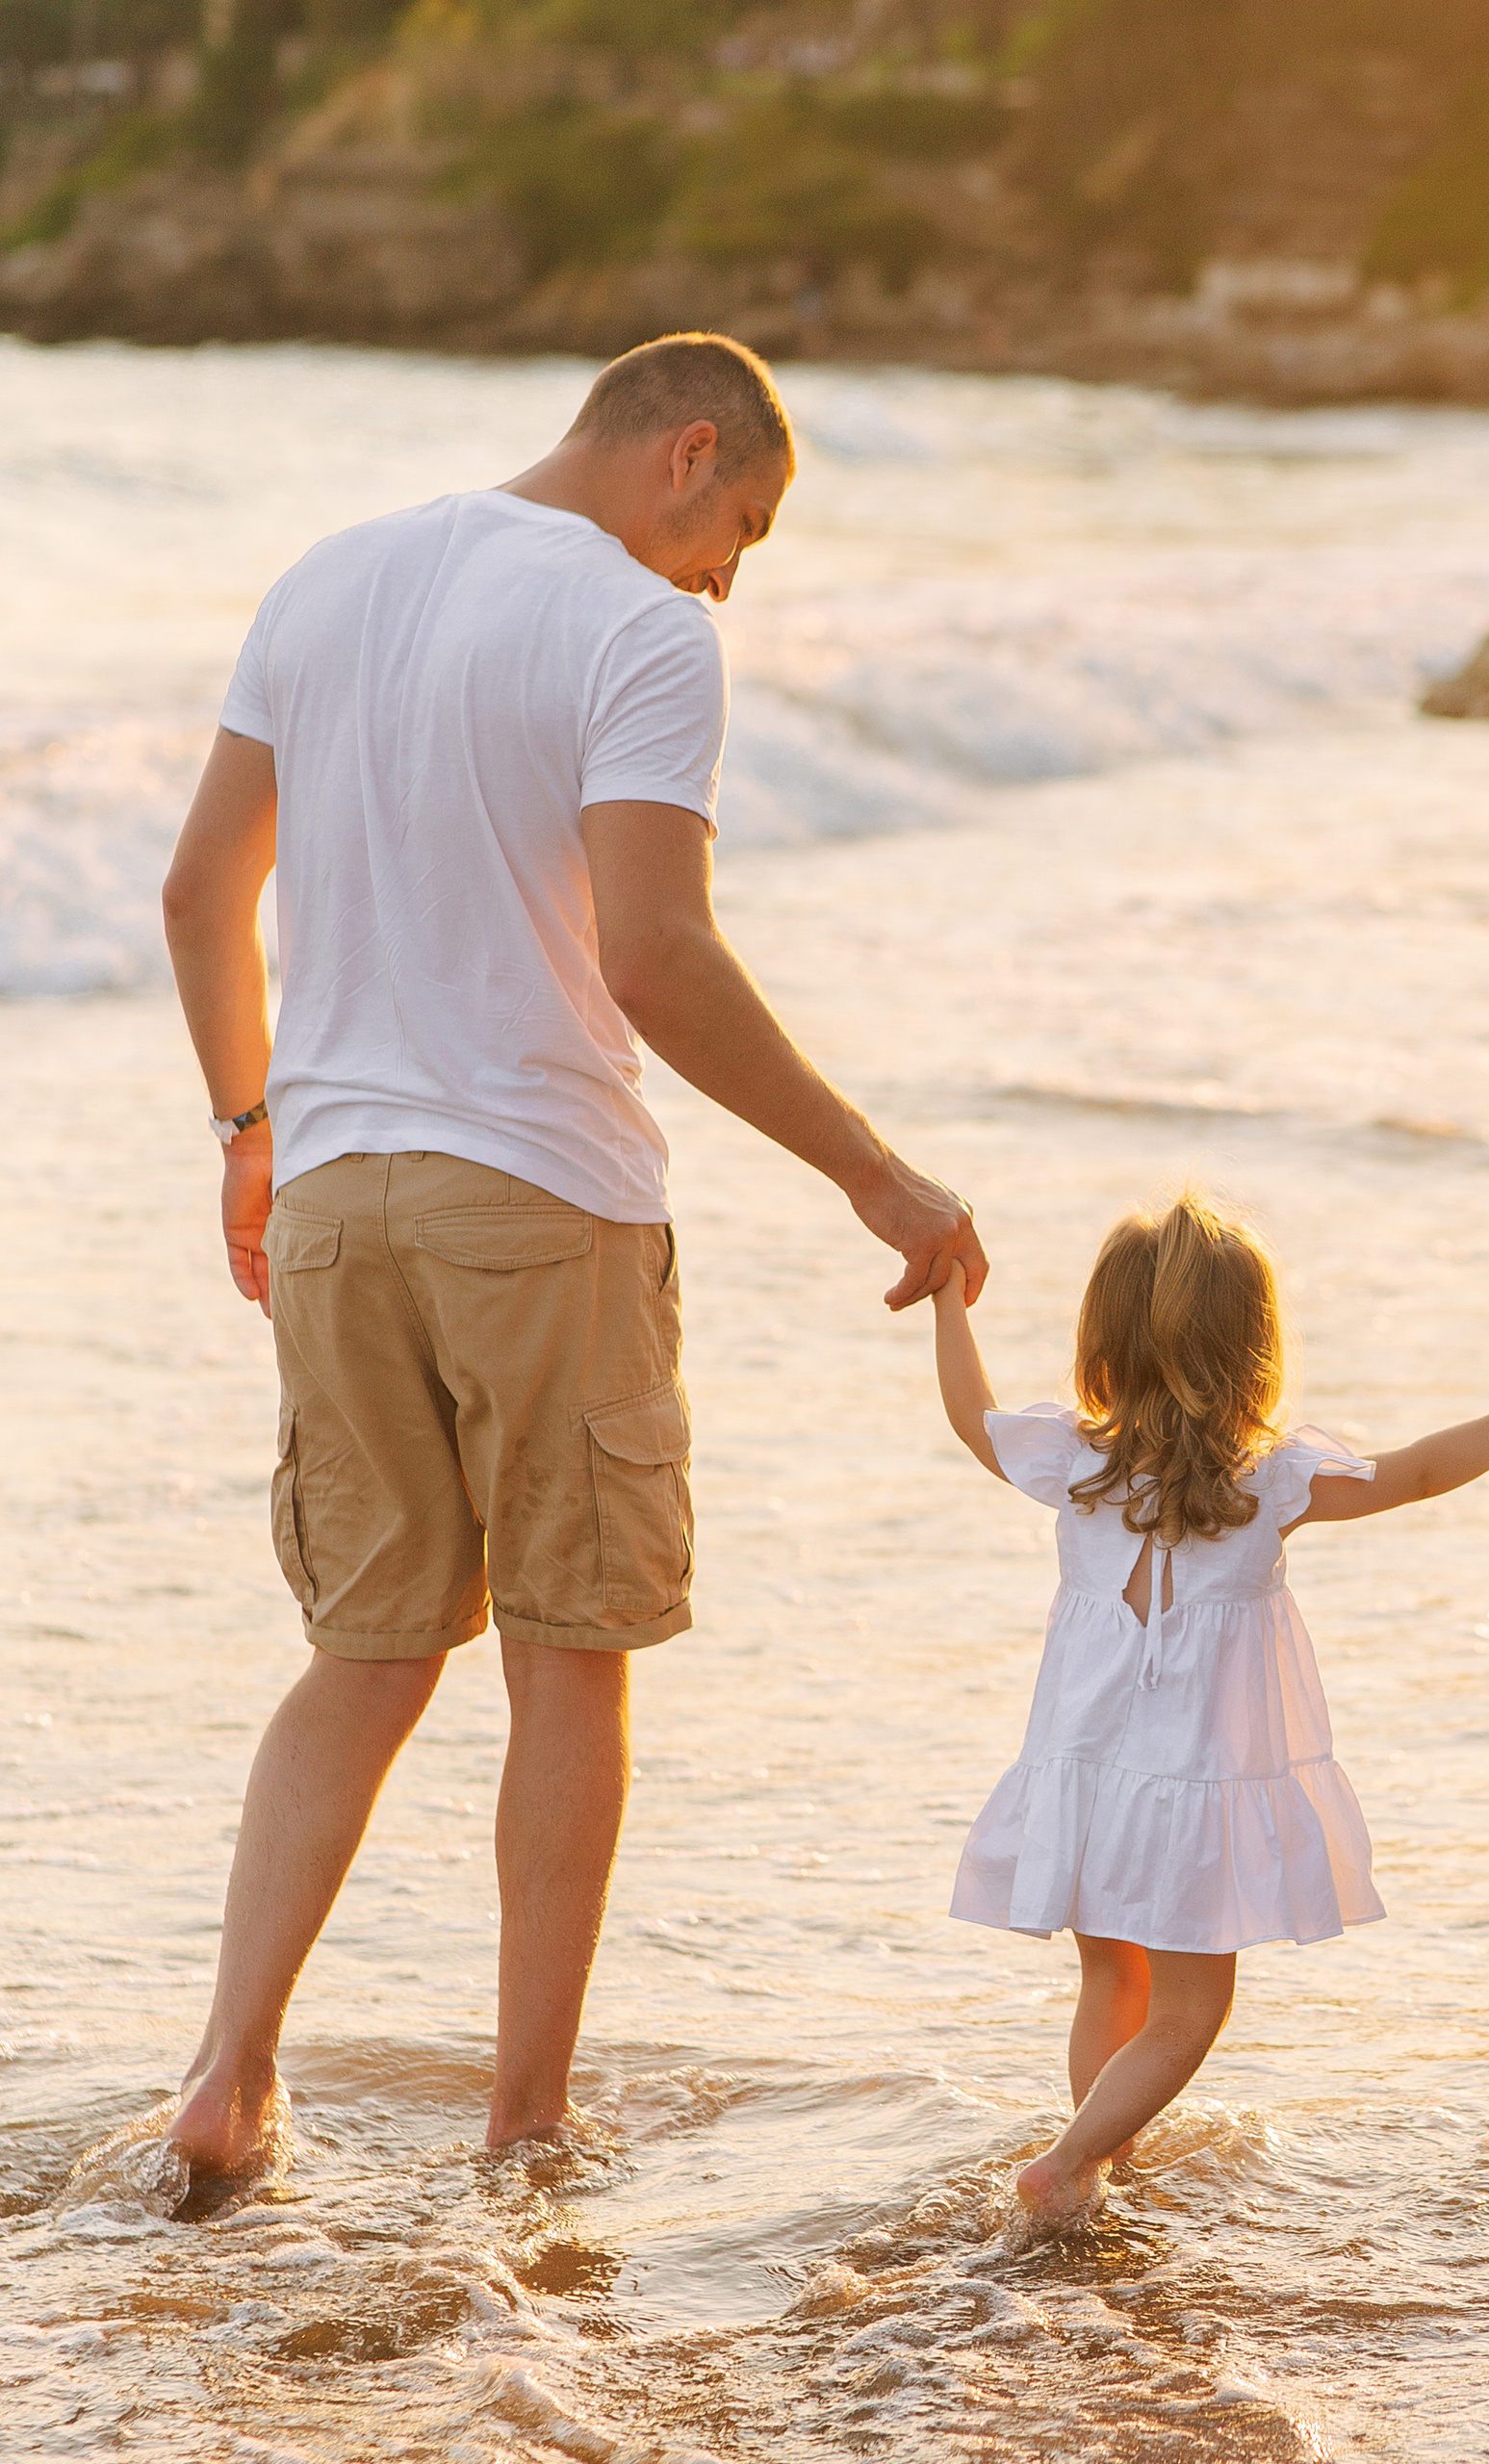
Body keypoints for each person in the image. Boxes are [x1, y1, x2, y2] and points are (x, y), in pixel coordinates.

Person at [157, 331, 985, 2194]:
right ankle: (525, 2125)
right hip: (538, 1194)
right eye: (739, 530)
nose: (725, 580)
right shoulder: (636, 629)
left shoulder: (326, 575)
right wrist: (876, 1176)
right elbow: (654, 956)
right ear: (686, 452)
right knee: (567, 1662)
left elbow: (201, 889)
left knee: (362, 1655)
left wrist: (247, 1132)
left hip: (336, 1196)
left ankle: (226, 2073)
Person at [930, 1193, 1489, 2226]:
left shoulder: (1079, 1466)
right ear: (1252, 1351)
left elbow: (973, 1419)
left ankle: (1095, 2170)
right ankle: (1066, 2165)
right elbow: (1416, 1474)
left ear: (1103, 1344)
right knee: (1192, 2009)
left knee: (1112, 1980)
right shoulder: (1267, 1483)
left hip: (1086, 1778)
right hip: (1190, 1792)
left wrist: (946, 1300)